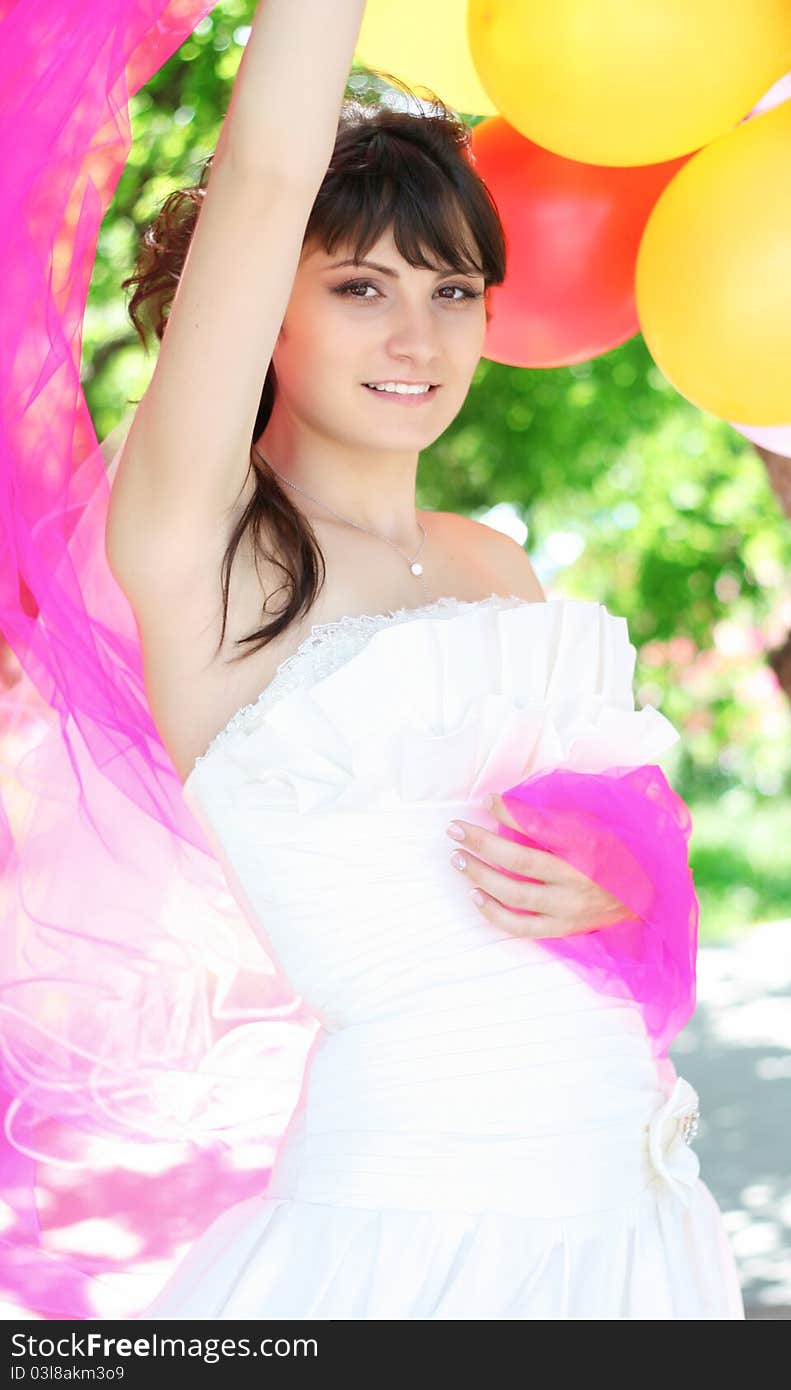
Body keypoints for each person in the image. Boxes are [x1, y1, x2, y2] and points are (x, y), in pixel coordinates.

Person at [3, 0, 744, 1319]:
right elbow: (273, 173)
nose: (421, 336)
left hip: (634, 1221)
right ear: (260, 317)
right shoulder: (207, 550)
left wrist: (621, 890)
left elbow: (640, 886)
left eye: (454, 289)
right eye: (360, 287)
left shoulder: (496, 569)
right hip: (407, 1239)